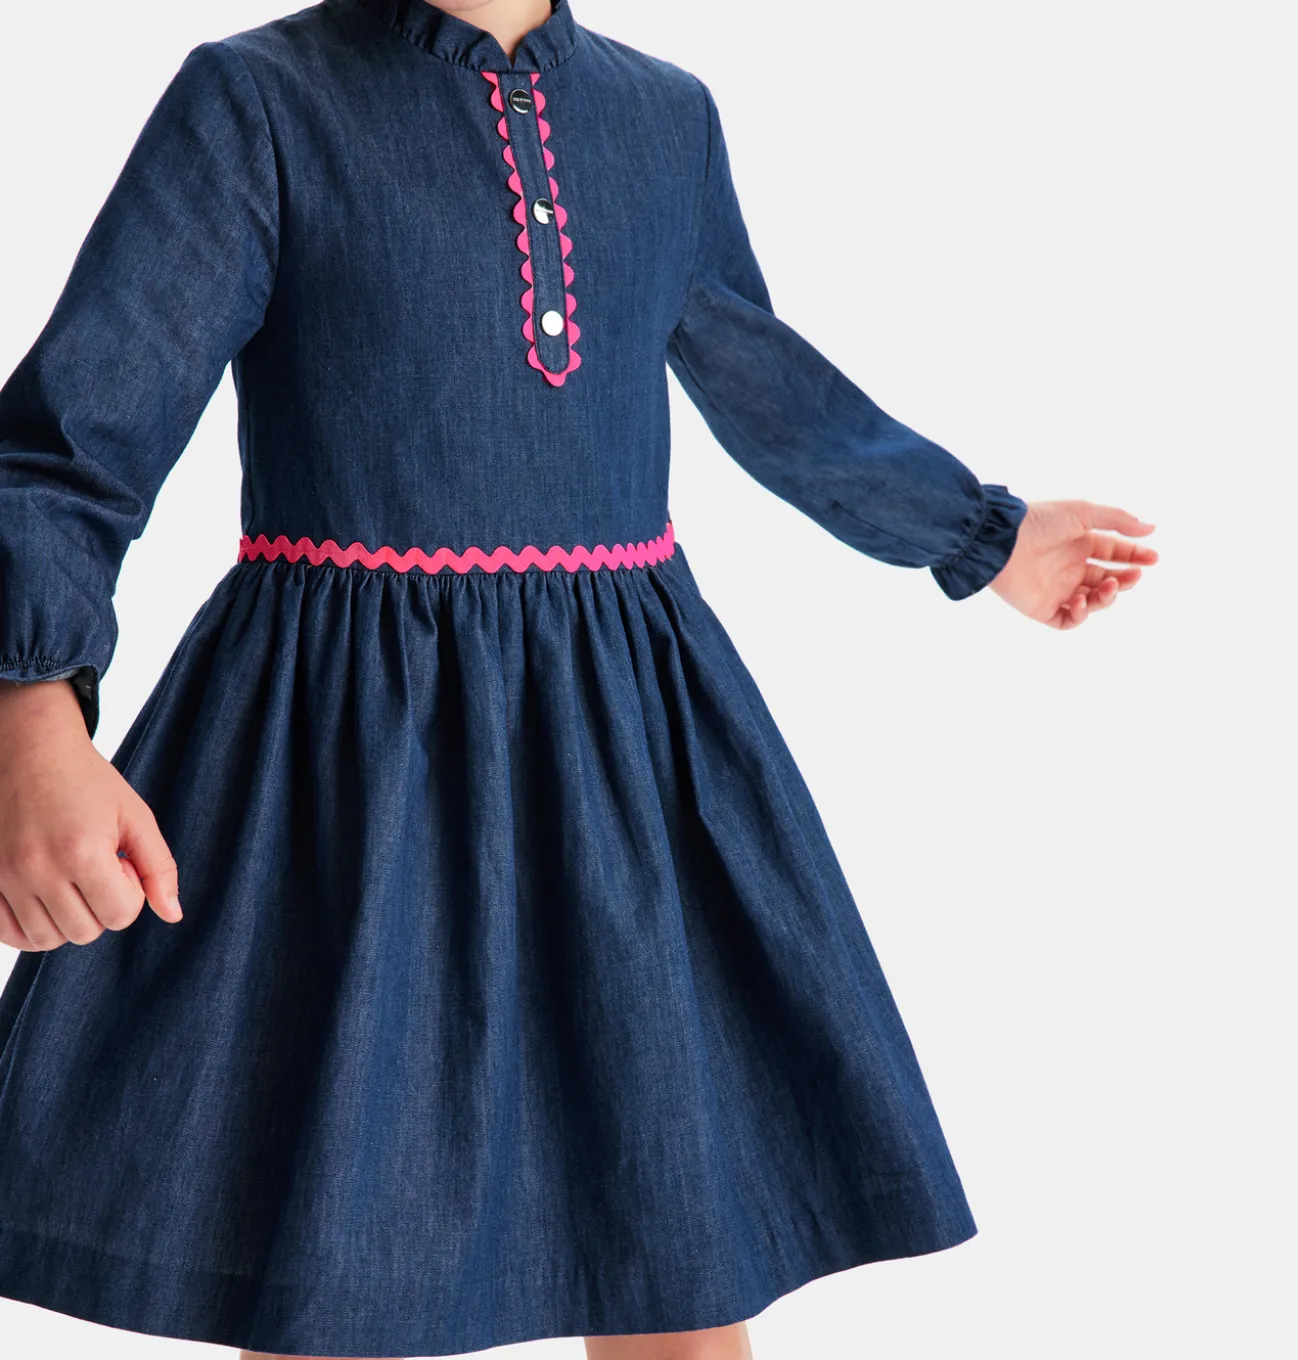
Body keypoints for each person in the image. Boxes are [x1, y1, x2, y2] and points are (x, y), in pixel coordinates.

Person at [0, 0, 1158, 1357]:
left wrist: (979, 535)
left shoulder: (666, 118)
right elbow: (73, 440)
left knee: (676, 1251)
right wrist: (33, 720)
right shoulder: (258, 101)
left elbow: (765, 378)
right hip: (351, 770)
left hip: (624, 757)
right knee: (335, 1264)